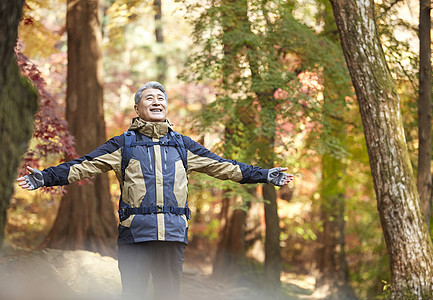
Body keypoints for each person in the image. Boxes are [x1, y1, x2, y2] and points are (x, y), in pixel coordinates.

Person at [17, 81, 294, 300]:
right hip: (135, 233)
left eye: (161, 98)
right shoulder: (123, 144)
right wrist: (44, 178)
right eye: (149, 98)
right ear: (137, 108)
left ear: (167, 108)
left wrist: (266, 175)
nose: (157, 101)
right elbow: (84, 166)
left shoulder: (184, 145)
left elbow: (226, 167)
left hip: (173, 234)